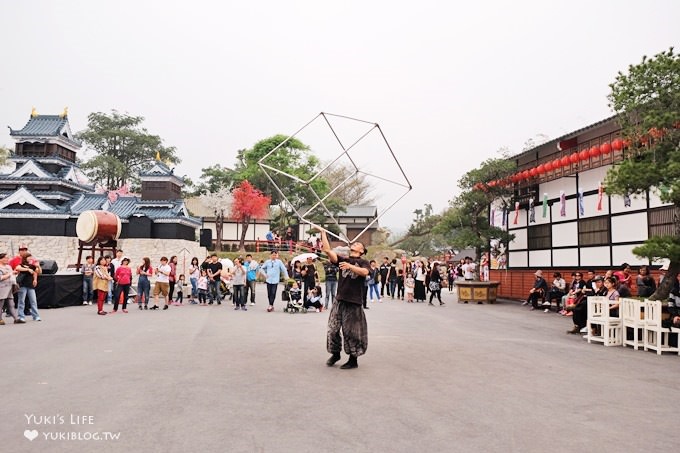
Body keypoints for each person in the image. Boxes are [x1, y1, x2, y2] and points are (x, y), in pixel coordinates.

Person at [321, 230, 370, 370]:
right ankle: (335, 353)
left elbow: (365, 272)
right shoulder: (343, 259)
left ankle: (353, 360)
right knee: (332, 329)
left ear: (361, 251)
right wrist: (323, 234)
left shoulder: (364, 262)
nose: (354, 244)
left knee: (351, 332)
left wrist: (350, 267)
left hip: (353, 302)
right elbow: (327, 250)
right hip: (340, 299)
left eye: (358, 244)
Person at [15, 254, 41, 322]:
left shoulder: (33, 266)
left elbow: (37, 272)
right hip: (22, 285)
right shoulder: (22, 264)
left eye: (31, 257)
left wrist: (35, 279)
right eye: (29, 257)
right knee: (21, 301)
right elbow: (17, 268)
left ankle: (36, 316)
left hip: (30, 285)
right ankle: (21, 316)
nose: (30, 258)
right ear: (25, 258)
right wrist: (27, 269)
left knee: (33, 301)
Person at [0, 253, 19, 325]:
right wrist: (10, 274)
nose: (7, 259)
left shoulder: (8, 267)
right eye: (5, 258)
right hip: (1, 288)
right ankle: (0, 319)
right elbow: (1, 278)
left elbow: (12, 276)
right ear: (1, 259)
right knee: (0, 305)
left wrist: (14, 275)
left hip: (9, 287)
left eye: (8, 258)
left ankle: (16, 319)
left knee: (11, 304)